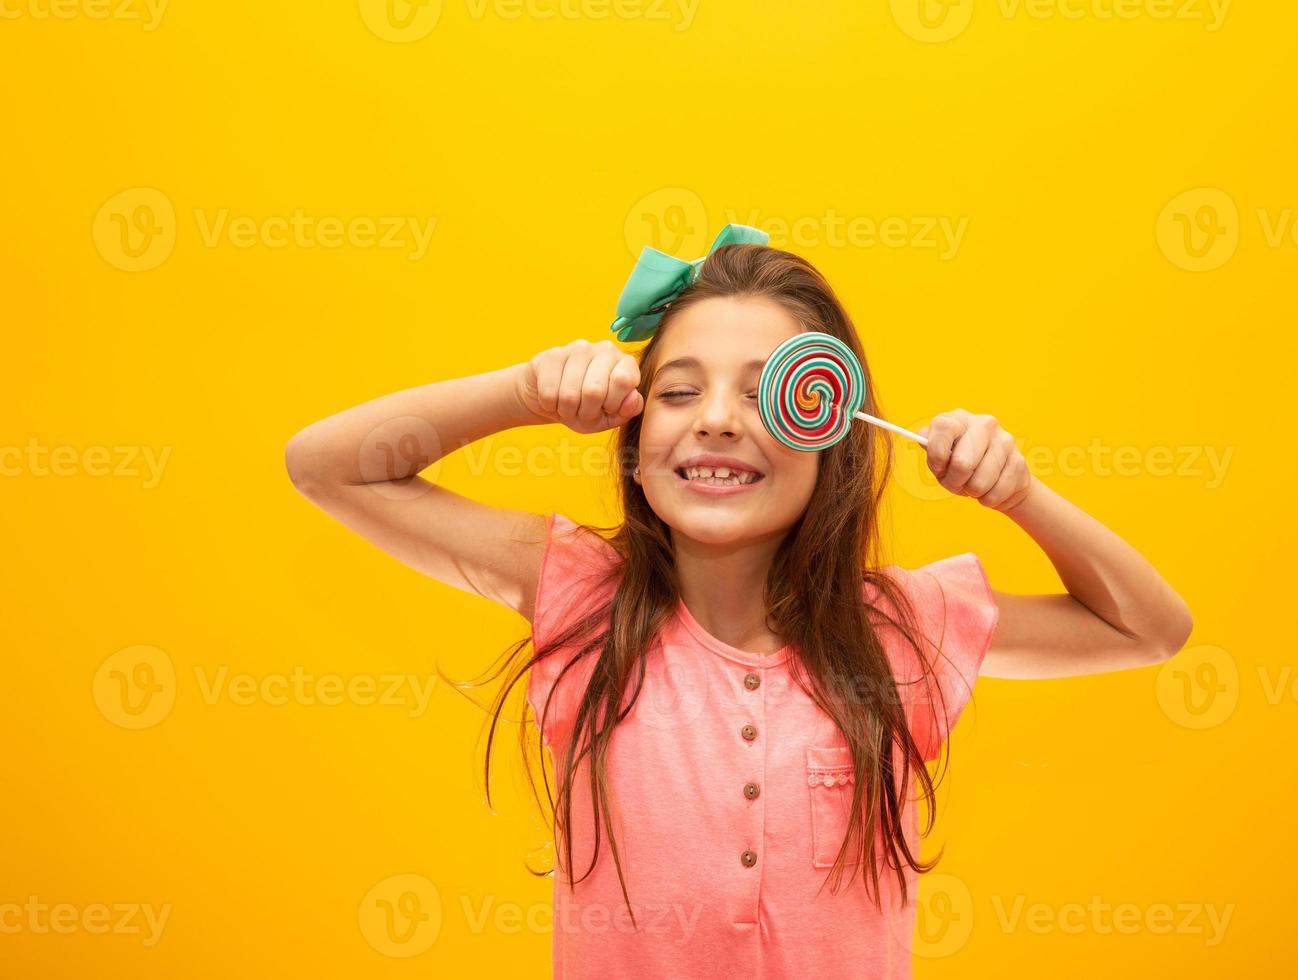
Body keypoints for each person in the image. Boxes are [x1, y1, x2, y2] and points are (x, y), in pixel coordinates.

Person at [284, 226, 1192, 979]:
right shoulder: (577, 597)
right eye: (678, 391)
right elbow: (326, 465)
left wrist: (1018, 494)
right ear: (635, 431)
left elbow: (1150, 627)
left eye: (767, 394)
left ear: (829, 428)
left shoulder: (903, 632)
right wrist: (524, 392)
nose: (716, 417)